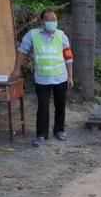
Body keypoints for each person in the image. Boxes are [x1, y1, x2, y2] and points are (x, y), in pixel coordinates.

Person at [10, 9, 73, 147]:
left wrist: (70, 77)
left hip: (60, 77)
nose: (52, 22)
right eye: (49, 20)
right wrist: (16, 69)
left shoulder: (62, 36)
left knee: (60, 105)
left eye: (54, 20)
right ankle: (41, 135)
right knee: (43, 107)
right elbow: (22, 51)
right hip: (42, 78)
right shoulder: (32, 35)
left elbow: (68, 57)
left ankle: (59, 130)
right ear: (42, 21)